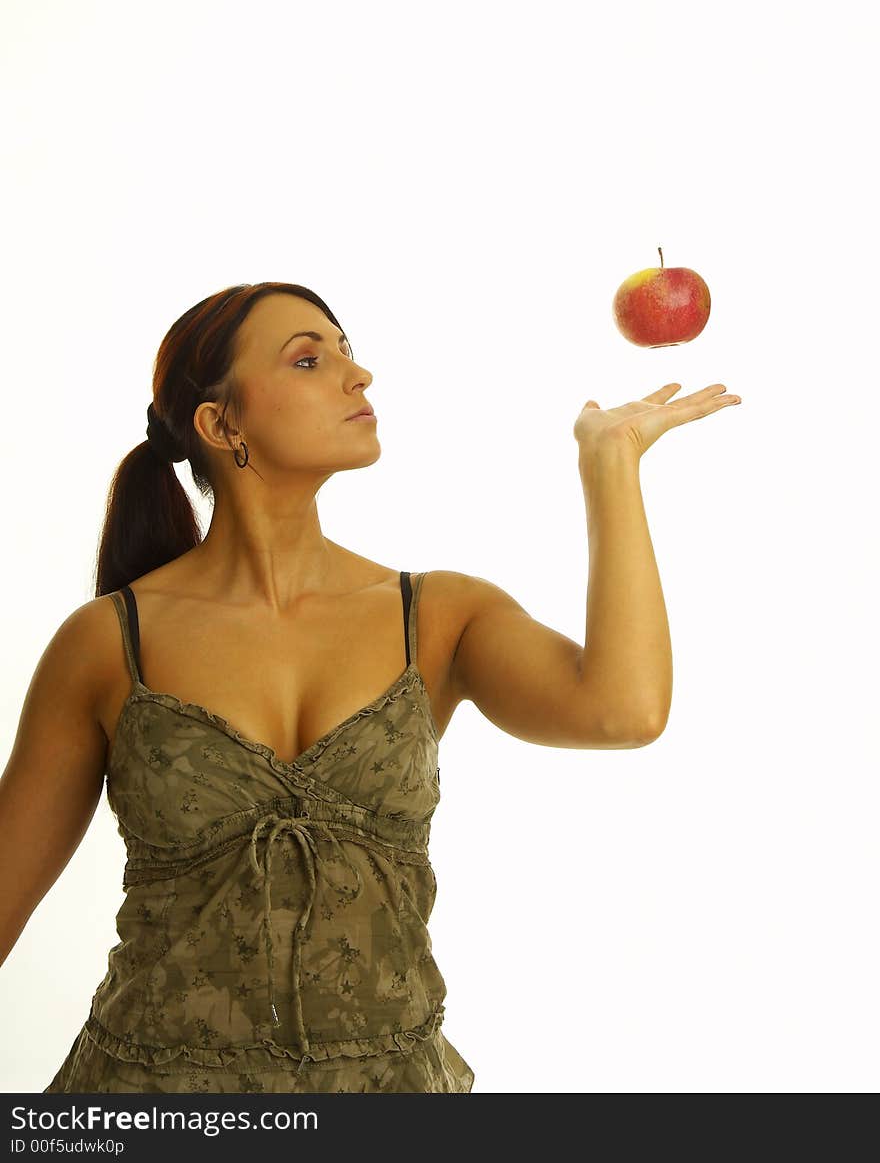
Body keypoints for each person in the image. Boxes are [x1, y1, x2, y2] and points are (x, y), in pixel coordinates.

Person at [0, 281, 740, 1093]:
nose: (360, 377)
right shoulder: (109, 642)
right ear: (220, 423)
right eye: (311, 359)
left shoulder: (439, 616)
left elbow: (624, 710)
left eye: (347, 351)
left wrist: (611, 464)